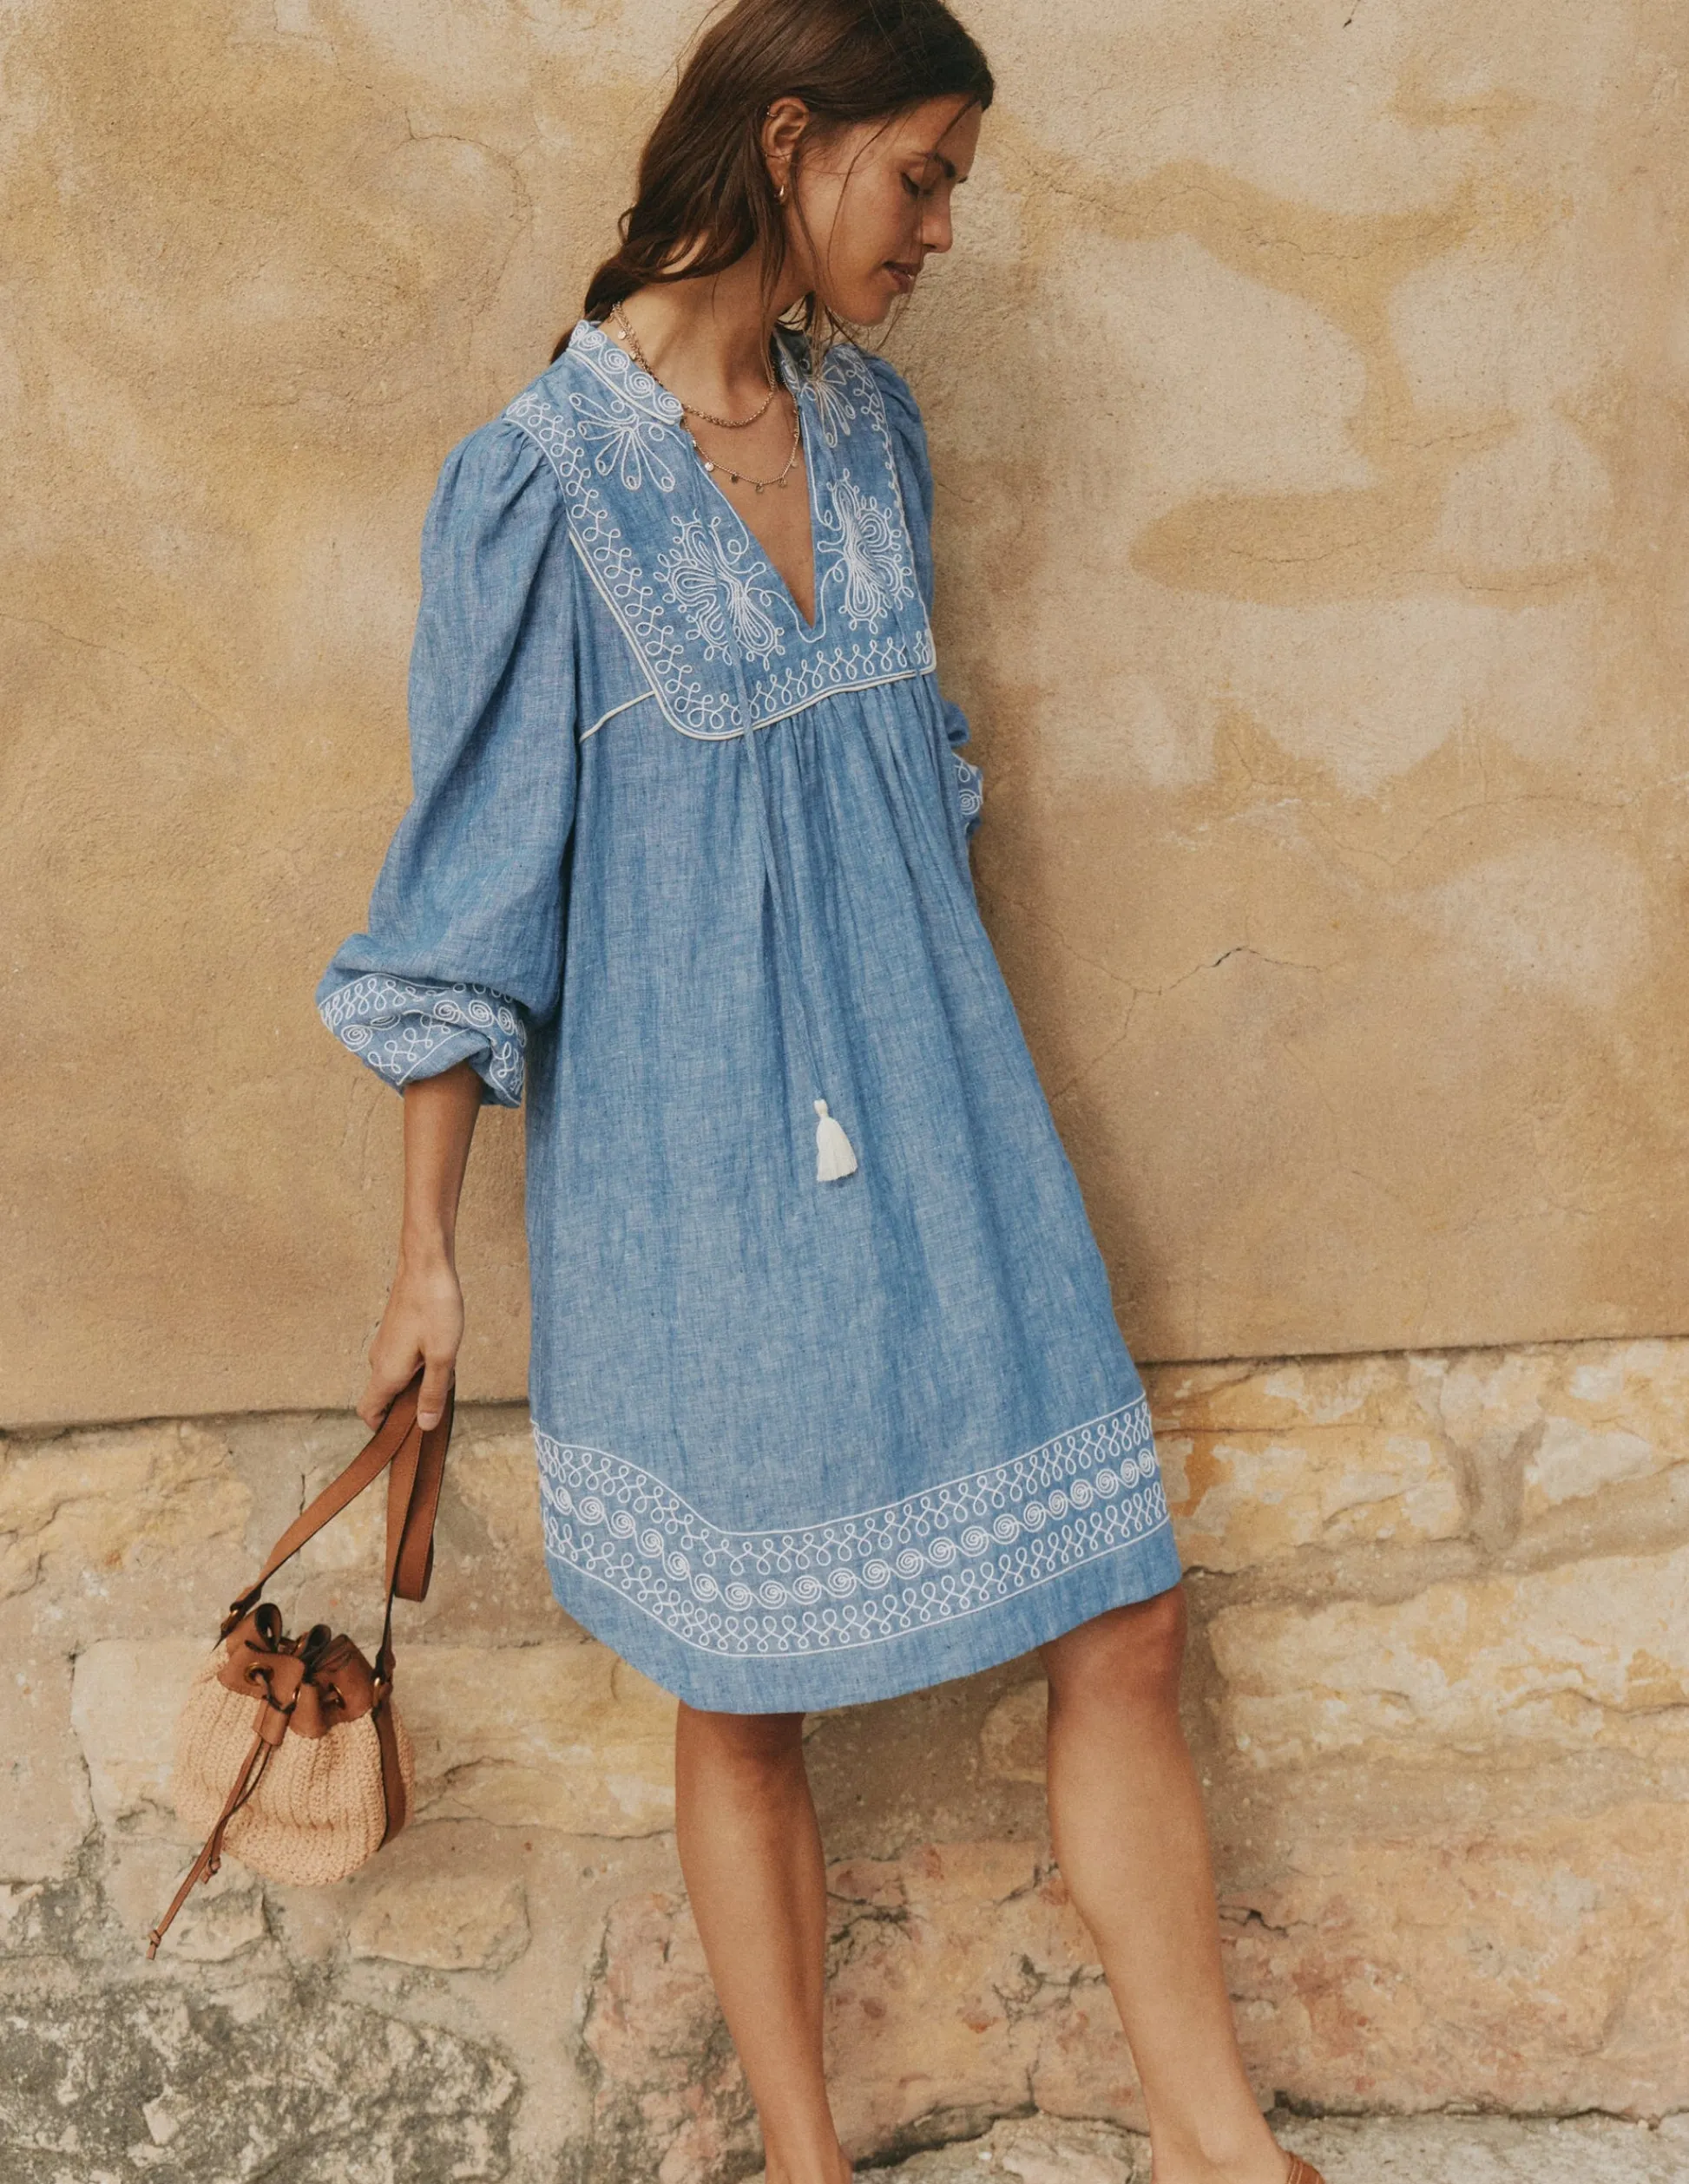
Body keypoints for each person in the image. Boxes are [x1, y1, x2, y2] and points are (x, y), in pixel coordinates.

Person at [315, 4, 1324, 2181]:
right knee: (741, 1673)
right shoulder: (538, 483)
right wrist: (421, 1260)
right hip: (693, 1158)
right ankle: (804, 2161)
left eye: (953, 185)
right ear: (790, 141)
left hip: (942, 1104)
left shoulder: (871, 434)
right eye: (921, 175)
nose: (941, 228)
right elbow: (469, 894)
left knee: (1125, 1607)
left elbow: (899, 797)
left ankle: (1216, 2147)